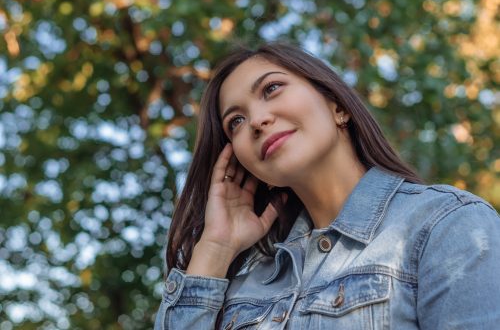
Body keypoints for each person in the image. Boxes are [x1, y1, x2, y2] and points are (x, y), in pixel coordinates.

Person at [154, 43, 500, 329]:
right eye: (236, 122)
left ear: (337, 105)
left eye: (271, 89)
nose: (257, 121)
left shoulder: (446, 224)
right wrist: (215, 248)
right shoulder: (247, 285)